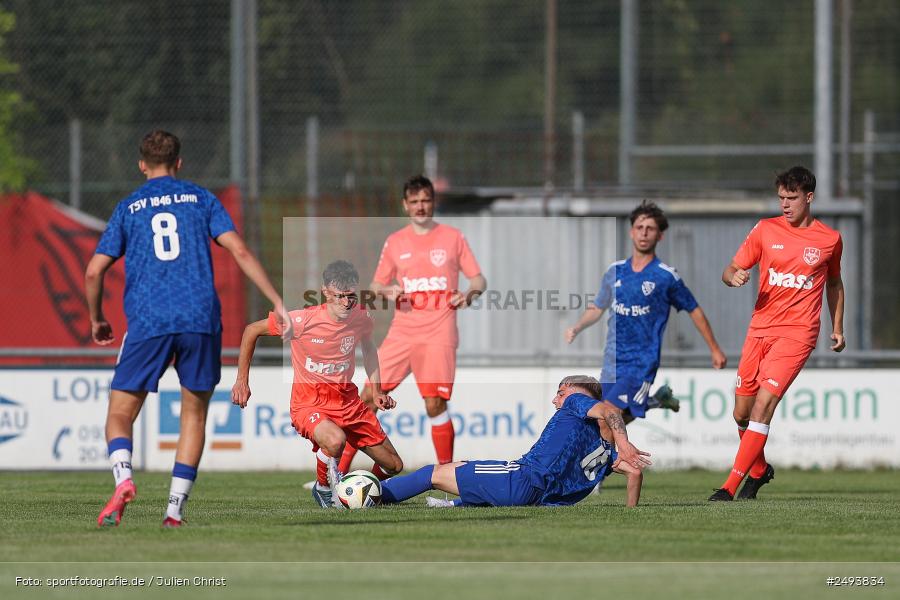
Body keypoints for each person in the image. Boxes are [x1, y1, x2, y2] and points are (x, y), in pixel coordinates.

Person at [86, 129, 289, 528]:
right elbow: (240, 250)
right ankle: (174, 511)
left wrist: (96, 318)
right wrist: (277, 302)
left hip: (149, 319)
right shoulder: (200, 199)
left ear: (142, 164)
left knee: (119, 413)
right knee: (193, 416)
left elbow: (94, 270)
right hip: (200, 318)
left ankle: (124, 477)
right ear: (179, 163)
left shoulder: (129, 208)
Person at [709, 166, 844, 501]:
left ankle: (729, 487)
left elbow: (835, 283)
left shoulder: (829, 240)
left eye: (792, 198)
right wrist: (733, 277)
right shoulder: (765, 230)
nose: (785, 204)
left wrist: (837, 326)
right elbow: (731, 268)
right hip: (760, 330)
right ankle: (758, 470)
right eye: (781, 197)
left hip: (798, 333)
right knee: (741, 412)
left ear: (809, 197)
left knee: (763, 406)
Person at [231, 260, 404, 508]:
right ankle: (322, 488)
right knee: (335, 440)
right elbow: (251, 330)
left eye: (351, 296)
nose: (346, 303)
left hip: (348, 403)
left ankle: (357, 491)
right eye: (340, 296)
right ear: (325, 292)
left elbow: (368, 348)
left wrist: (376, 391)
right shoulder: (301, 321)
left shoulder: (361, 317)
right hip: (310, 403)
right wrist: (242, 381)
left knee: (393, 465)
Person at [342, 175, 486, 470]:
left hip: (439, 332)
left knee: (434, 403)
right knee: (369, 395)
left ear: (433, 202)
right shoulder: (395, 242)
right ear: (405, 205)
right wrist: (387, 290)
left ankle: (446, 474)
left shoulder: (452, 237)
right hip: (402, 332)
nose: (421, 206)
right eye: (415, 201)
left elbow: (479, 279)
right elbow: (375, 285)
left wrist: (469, 293)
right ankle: (336, 472)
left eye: (426, 200)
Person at [564, 201, 727, 424]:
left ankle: (614, 459)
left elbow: (694, 310)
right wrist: (577, 327)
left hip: (641, 362)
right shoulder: (615, 271)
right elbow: (597, 307)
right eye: (640, 227)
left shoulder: (665, 276)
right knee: (607, 419)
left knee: (606, 416)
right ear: (631, 232)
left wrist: (715, 349)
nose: (644, 233)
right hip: (613, 360)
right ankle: (656, 401)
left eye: (650, 228)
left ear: (660, 236)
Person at [379, 375, 650, 508]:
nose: (556, 399)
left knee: (433, 473)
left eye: (560, 392)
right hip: (538, 499)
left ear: (573, 393)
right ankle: (451, 505)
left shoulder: (575, 402)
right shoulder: (600, 448)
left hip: (523, 479)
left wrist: (624, 444)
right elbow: (635, 473)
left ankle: (375, 495)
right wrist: (630, 511)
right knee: (466, 470)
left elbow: (611, 411)